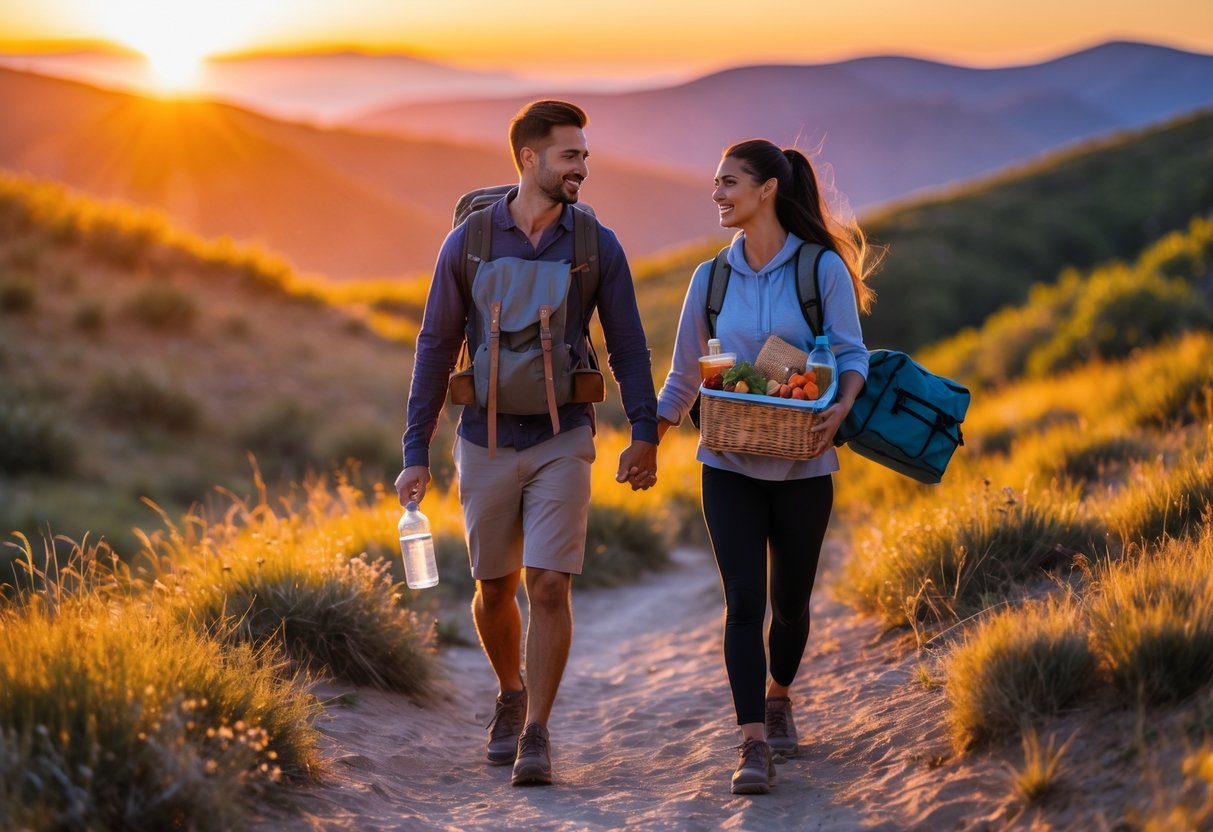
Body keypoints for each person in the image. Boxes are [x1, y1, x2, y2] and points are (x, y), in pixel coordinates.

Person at [396, 100, 659, 788]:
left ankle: (536, 730)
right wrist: (414, 451)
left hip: (561, 438)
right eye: (569, 156)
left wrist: (643, 430)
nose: (581, 168)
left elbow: (627, 343)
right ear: (529, 159)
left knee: (547, 586)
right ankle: (509, 693)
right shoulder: (469, 243)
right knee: (494, 588)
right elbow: (435, 346)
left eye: (584, 156)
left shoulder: (595, 245)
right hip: (481, 439)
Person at [654, 139, 877, 795]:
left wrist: (839, 408)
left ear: (765, 190)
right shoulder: (709, 278)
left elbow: (850, 354)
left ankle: (779, 692)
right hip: (725, 461)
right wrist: (651, 435)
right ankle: (752, 742)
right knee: (743, 603)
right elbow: (683, 374)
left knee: (791, 608)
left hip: (805, 462)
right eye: (715, 184)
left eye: (728, 183)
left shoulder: (820, 270)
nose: (717, 194)